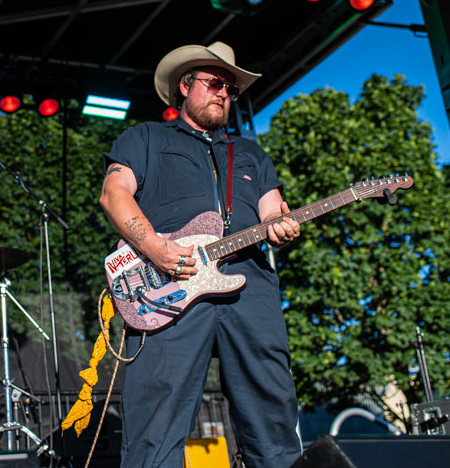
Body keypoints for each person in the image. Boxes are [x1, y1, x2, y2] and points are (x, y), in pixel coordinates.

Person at [99, 41, 302, 468]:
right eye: (213, 83)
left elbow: (272, 211)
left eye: (230, 88)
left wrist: (283, 226)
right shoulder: (146, 137)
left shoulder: (252, 154)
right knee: (158, 414)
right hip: (169, 283)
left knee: (272, 412)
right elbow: (114, 194)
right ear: (185, 85)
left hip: (251, 291)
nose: (223, 93)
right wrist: (154, 247)